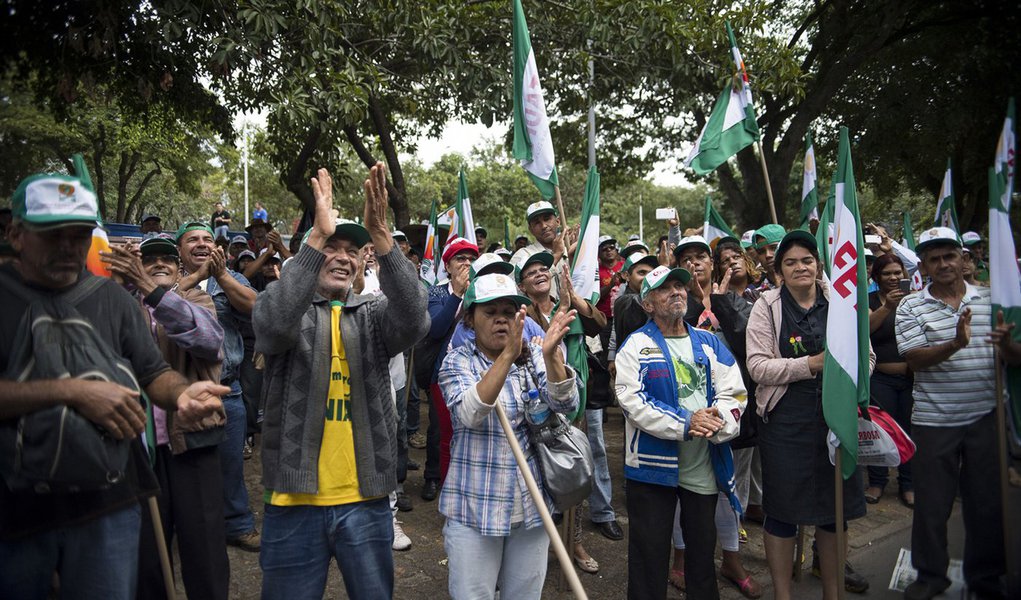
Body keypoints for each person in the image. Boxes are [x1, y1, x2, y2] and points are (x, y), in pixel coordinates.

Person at [0, 171, 226, 599]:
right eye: (53, 235)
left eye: (79, 233)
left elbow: (153, 372)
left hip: (110, 502)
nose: (69, 246)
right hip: (16, 510)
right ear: (16, 233)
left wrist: (183, 395)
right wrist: (73, 392)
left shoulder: (114, 301)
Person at [253, 164, 428, 599]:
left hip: (366, 502)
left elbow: (414, 319)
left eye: (354, 250)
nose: (344, 257)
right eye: (333, 246)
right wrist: (315, 235)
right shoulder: (286, 309)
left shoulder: (371, 316)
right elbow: (273, 326)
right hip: (294, 503)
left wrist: (382, 237)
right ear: (311, 253)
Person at [101, 235, 231, 600]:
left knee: (204, 550)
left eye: (167, 260)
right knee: (147, 555)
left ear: (179, 269)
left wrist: (147, 287)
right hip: (138, 449)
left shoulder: (198, 300)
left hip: (193, 443)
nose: (159, 263)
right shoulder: (121, 305)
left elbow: (207, 340)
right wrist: (120, 284)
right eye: (150, 259)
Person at [746, 230, 873, 600]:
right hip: (786, 422)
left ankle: (833, 593)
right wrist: (811, 364)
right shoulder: (766, 307)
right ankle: (783, 594)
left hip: (836, 419)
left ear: (819, 265)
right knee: (782, 511)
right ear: (779, 272)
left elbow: (866, 357)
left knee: (836, 512)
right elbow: (758, 367)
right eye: (790, 262)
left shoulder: (842, 302)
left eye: (807, 260)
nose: (800, 267)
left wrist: (850, 379)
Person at [438, 272, 579, 600]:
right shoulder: (456, 362)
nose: (501, 320)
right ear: (471, 318)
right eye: (490, 312)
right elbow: (470, 412)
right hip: (474, 508)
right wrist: (506, 356)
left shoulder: (533, 355)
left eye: (509, 312)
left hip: (532, 509)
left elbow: (567, 405)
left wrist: (552, 360)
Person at [895, 227, 1018, 600]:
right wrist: (955, 343)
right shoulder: (910, 306)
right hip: (934, 420)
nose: (944, 263)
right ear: (925, 266)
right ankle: (931, 577)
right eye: (935, 258)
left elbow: (1014, 360)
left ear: (964, 259)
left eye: (950, 255)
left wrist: (1010, 346)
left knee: (986, 502)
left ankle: (986, 578)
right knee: (932, 504)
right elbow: (913, 360)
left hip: (986, 416)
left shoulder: (992, 300)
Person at [615, 264, 747, 600]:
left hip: (702, 465)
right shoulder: (635, 345)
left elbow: (734, 393)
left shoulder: (708, 342)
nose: (677, 292)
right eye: (665, 288)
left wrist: (720, 422)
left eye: (680, 286)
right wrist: (686, 422)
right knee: (649, 557)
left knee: (702, 555)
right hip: (651, 469)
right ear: (648, 303)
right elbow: (633, 401)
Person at [517, 253, 609, 572]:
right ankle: (542, 542)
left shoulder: (567, 304)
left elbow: (600, 325)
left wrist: (576, 300)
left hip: (575, 398)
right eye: (532, 272)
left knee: (575, 472)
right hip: (540, 409)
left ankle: (575, 542)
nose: (540, 274)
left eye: (545, 269)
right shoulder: (521, 313)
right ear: (522, 284)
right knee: (542, 477)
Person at [175, 220, 261, 551]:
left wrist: (221, 276)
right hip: (178, 389)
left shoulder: (231, 277)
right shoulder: (168, 276)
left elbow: (255, 307)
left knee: (230, 462)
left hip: (227, 389)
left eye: (207, 239)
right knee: (184, 464)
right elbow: (157, 302)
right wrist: (194, 279)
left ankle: (237, 524)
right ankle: (188, 531)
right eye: (192, 239)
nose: (201, 243)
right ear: (180, 250)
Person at [421, 237, 480, 500]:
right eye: (460, 259)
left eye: (470, 259)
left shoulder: (483, 290)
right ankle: (439, 482)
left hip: (479, 373)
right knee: (442, 432)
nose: (466, 264)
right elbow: (435, 329)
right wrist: (456, 294)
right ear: (447, 265)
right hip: (443, 373)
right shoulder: (437, 292)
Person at [864, 252, 914, 507]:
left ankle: (908, 484)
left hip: (912, 379)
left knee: (908, 429)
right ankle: (877, 481)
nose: (894, 278)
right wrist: (887, 307)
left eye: (898, 273)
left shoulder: (915, 301)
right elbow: (866, 330)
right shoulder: (870, 300)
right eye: (887, 273)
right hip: (880, 379)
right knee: (880, 430)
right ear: (876, 277)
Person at [510, 201, 569, 298]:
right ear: (531, 229)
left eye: (547, 219)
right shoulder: (522, 255)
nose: (544, 226)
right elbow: (515, 291)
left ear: (558, 222)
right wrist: (556, 256)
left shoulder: (568, 251)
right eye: (537, 223)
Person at [751, 224, 784, 290]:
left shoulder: (804, 278)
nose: (767, 255)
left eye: (774, 248)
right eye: (761, 251)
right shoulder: (755, 293)